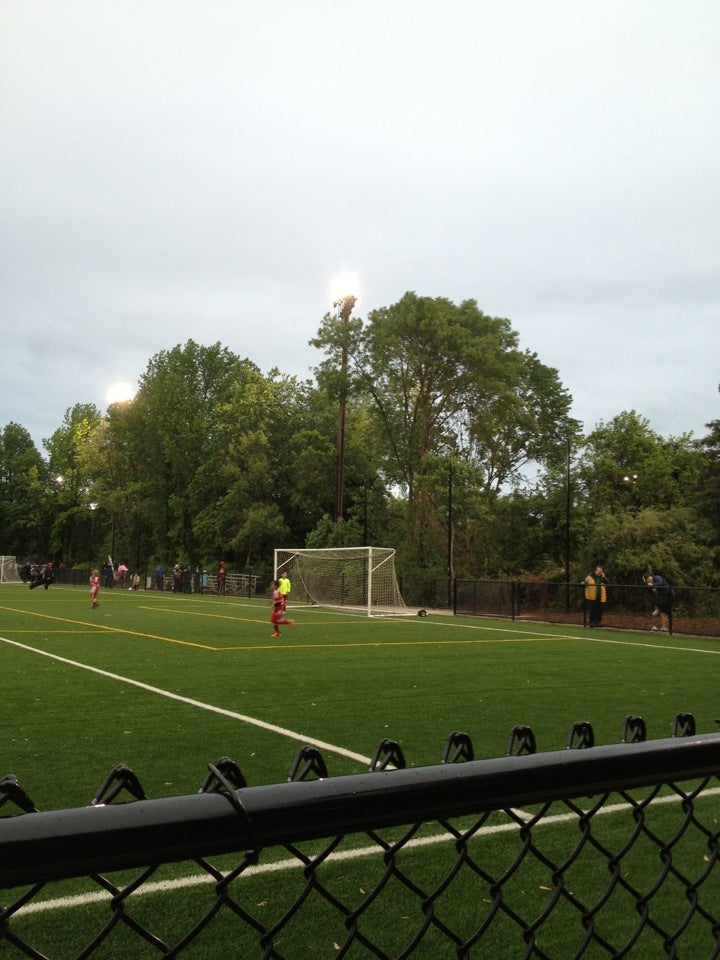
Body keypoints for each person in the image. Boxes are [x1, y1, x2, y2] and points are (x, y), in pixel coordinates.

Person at [582, 563, 607, 627]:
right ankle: (591, 622)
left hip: (600, 596)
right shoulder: (589, 577)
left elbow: (607, 582)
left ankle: (598, 622)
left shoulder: (602, 578)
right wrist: (583, 583)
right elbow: (583, 582)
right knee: (592, 609)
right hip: (591, 596)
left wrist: (603, 577)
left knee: (599, 610)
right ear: (595, 571)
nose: (600, 573)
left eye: (601, 571)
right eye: (599, 571)